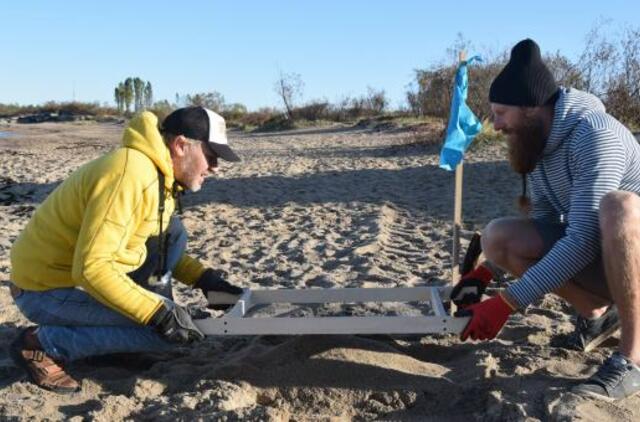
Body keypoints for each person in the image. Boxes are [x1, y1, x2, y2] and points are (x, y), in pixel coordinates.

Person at [449, 39, 640, 401]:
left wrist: (507, 303)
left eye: (502, 112)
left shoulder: (596, 135)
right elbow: (546, 223)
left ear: (533, 108)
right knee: (499, 237)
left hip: (634, 254)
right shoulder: (537, 142)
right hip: (608, 260)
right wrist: (489, 270)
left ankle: (632, 358)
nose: (495, 123)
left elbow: (582, 237)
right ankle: (597, 314)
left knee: (619, 207)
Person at [8, 106, 243, 393]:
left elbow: (158, 245)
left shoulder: (158, 178)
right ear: (181, 145)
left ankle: (119, 339)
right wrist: (158, 314)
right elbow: (91, 269)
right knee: (163, 333)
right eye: (211, 155)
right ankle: (41, 343)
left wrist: (206, 281)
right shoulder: (130, 174)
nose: (215, 166)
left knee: (173, 232)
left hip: (77, 279)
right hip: (44, 289)